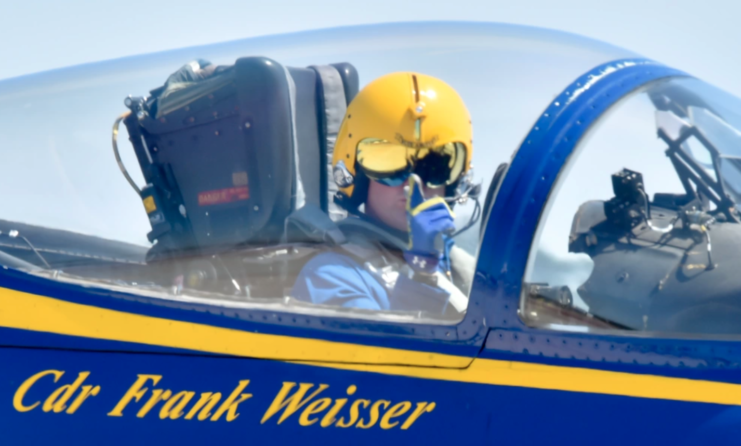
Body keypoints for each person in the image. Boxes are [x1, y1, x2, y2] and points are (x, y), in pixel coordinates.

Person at [291, 72, 476, 317]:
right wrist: (422, 276)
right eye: (389, 162)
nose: (413, 184)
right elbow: (390, 353)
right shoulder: (329, 275)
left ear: (455, 181)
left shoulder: (462, 269)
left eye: (434, 166)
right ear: (358, 174)